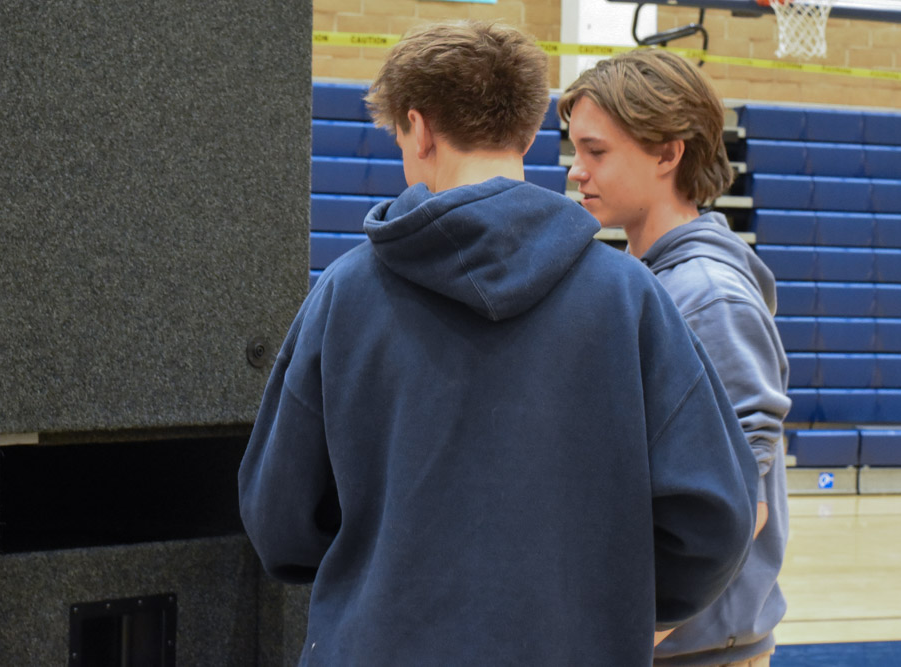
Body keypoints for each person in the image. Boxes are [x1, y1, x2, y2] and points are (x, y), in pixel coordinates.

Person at [239, 21, 758, 666]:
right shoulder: (630, 297)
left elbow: (278, 516)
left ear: (420, 128)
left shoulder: (345, 295)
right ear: (529, 126)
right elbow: (716, 517)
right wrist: (603, 603)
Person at [560, 48, 792, 667]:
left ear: (668, 153)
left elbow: (746, 505)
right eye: (575, 150)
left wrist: (637, 634)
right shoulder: (646, 281)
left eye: (597, 152)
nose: (576, 171)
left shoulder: (707, 297)